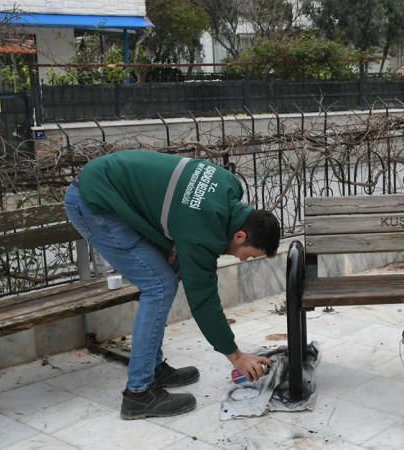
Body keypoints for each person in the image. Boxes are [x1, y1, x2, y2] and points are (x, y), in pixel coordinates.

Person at [64, 150, 281, 420]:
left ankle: (152, 367)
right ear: (239, 235)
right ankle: (139, 395)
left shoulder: (229, 185)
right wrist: (235, 356)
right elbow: (204, 300)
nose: (242, 259)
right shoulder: (201, 230)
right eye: (247, 254)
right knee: (160, 285)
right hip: (94, 200)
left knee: (171, 270)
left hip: (110, 187)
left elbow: (178, 209)